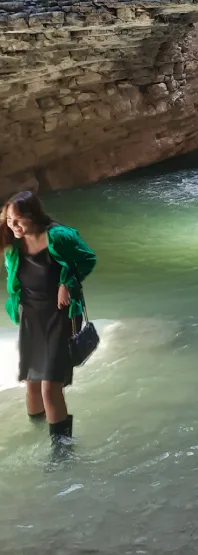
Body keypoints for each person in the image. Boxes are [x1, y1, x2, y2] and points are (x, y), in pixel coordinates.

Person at [1, 190, 96, 447]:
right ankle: (37, 435)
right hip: (31, 317)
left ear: (33, 216)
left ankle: (62, 451)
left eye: (18, 220)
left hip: (60, 316)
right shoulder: (14, 242)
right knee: (31, 384)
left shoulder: (58, 236)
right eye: (10, 220)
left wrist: (67, 283)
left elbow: (88, 259)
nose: (14, 226)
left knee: (49, 387)